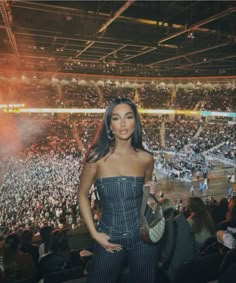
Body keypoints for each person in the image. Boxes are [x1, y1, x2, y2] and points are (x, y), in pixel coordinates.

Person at [77, 98, 159, 283]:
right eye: (116, 118)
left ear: (135, 122)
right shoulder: (96, 157)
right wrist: (94, 234)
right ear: (109, 124)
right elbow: (82, 194)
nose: (123, 123)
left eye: (128, 117)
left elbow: (147, 193)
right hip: (109, 237)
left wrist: (151, 193)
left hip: (143, 239)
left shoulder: (146, 158)